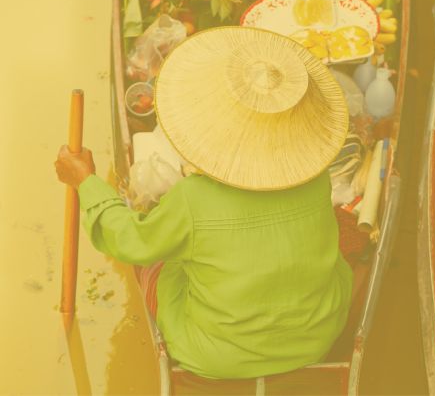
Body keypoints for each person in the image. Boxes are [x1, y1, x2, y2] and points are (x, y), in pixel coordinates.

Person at [55, 27, 353, 380]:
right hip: (314, 340)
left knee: (152, 261)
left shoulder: (193, 198)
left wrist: (86, 182)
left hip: (215, 354)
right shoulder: (314, 178)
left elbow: (130, 241)